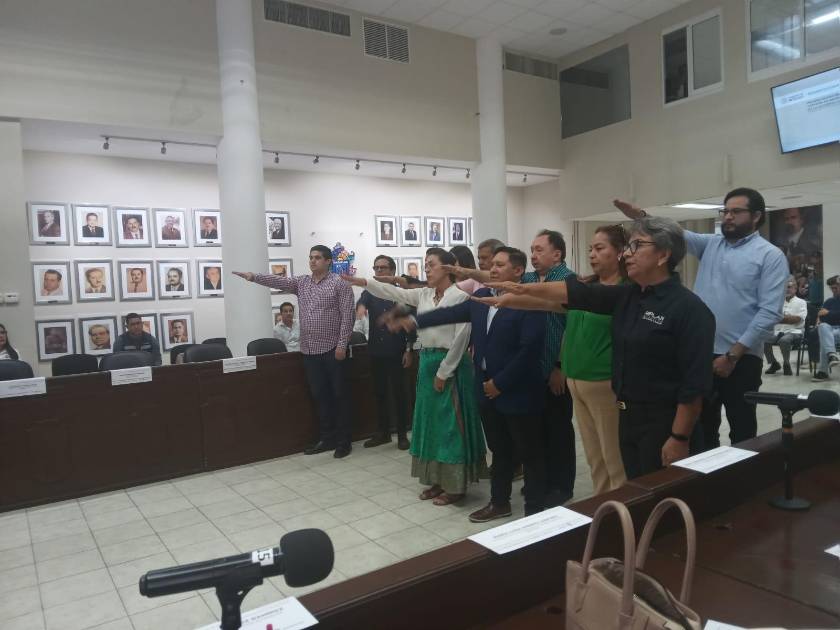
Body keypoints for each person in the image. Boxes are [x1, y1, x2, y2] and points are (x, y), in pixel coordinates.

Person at [476, 217, 715, 479]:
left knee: (662, 490)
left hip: (664, 420)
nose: (628, 254)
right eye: (628, 246)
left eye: (637, 246)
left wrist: (679, 437)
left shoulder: (689, 309)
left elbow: (694, 384)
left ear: (663, 255)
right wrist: (516, 293)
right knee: (629, 483)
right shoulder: (630, 296)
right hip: (628, 414)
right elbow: (576, 294)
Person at [614, 188, 788, 450]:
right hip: (700, 356)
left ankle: (743, 476)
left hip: (741, 359)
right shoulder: (711, 244)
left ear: (756, 216)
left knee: (742, 431)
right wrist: (641, 216)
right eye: (725, 211)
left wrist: (732, 356)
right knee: (702, 430)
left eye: (736, 212)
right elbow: (672, 234)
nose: (728, 217)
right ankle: (707, 475)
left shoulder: (770, 255)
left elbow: (769, 312)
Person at [387, 247, 545, 521]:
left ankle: (535, 509)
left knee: (528, 451)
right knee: (500, 450)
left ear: (518, 271)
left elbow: (529, 350)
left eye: (500, 265)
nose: (492, 269)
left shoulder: (529, 301)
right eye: (492, 265)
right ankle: (499, 502)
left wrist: (500, 382)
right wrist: (412, 320)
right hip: (485, 387)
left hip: (516, 389)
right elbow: (447, 314)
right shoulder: (482, 298)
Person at [343, 248, 487, 505]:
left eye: (431, 265)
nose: (426, 269)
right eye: (425, 265)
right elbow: (393, 292)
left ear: (448, 268)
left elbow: (461, 339)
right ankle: (437, 480)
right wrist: (364, 282)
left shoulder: (460, 297)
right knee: (430, 424)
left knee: (450, 426)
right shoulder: (424, 294)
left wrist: (444, 372)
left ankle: (455, 486)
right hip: (427, 362)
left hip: (450, 366)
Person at [234, 245, 355, 458]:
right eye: (310, 257)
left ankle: (344, 441)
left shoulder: (340, 283)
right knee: (319, 397)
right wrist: (253, 276)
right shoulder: (302, 282)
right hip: (309, 351)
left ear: (328, 261)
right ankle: (327, 438)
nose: (312, 261)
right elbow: (278, 281)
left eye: (317, 257)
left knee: (339, 396)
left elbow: (348, 316)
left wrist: (342, 345)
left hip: (333, 350)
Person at [562, 225, 628, 494]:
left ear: (620, 252)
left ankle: (622, 508)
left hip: (603, 382)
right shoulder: (585, 287)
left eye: (600, 248)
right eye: (590, 249)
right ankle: (601, 504)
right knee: (594, 456)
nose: (592, 254)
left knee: (613, 457)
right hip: (576, 380)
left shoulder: (625, 291)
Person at [523, 229, 576, 506]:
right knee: (535, 430)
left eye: (539, 249)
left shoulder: (569, 281)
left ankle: (561, 486)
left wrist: (560, 366)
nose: (533, 255)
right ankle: (539, 481)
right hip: (530, 369)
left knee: (559, 430)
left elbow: (572, 329)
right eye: (532, 250)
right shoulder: (528, 280)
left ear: (557, 254)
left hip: (555, 368)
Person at [356, 255, 416, 450]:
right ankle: (383, 433)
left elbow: (410, 325)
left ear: (392, 271)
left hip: (397, 351)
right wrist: (361, 308)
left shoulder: (401, 294)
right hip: (376, 351)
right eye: (376, 268)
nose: (379, 271)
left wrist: (409, 349)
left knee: (400, 394)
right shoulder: (371, 291)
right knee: (379, 393)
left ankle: (402, 434)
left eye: (383, 268)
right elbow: (362, 302)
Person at [764, 276, 807, 376]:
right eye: (784, 288)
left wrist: (780, 318)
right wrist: (786, 318)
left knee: (784, 340)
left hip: (795, 331)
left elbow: (797, 319)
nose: (787, 290)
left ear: (795, 289)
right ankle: (774, 363)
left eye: (789, 287)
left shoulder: (801, 302)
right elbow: (771, 317)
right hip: (779, 330)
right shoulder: (779, 303)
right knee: (764, 339)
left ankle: (786, 364)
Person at [810, 275, 840, 382]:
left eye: (836, 288)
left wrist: (829, 313)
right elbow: (821, 317)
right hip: (830, 330)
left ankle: (823, 372)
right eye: (832, 288)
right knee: (823, 327)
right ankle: (832, 355)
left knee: (825, 338)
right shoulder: (829, 301)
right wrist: (823, 318)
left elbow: (826, 314)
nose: (833, 291)